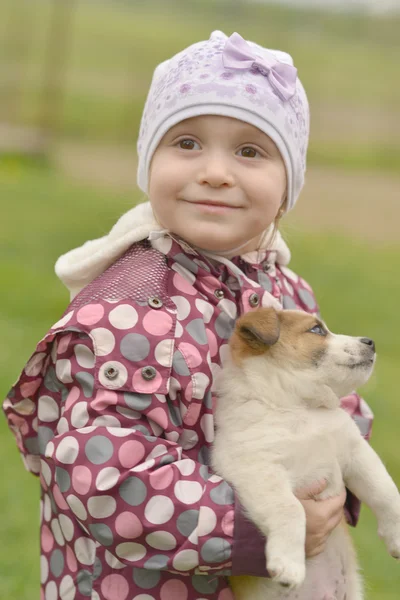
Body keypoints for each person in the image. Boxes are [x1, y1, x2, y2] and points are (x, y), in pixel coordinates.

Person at [3, 31, 373, 600]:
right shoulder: (126, 309)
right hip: (140, 588)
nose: (216, 172)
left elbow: (334, 398)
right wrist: (249, 527)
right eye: (186, 143)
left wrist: (329, 486)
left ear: (288, 188)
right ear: (149, 162)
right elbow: (107, 474)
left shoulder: (284, 287)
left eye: (250, 151)